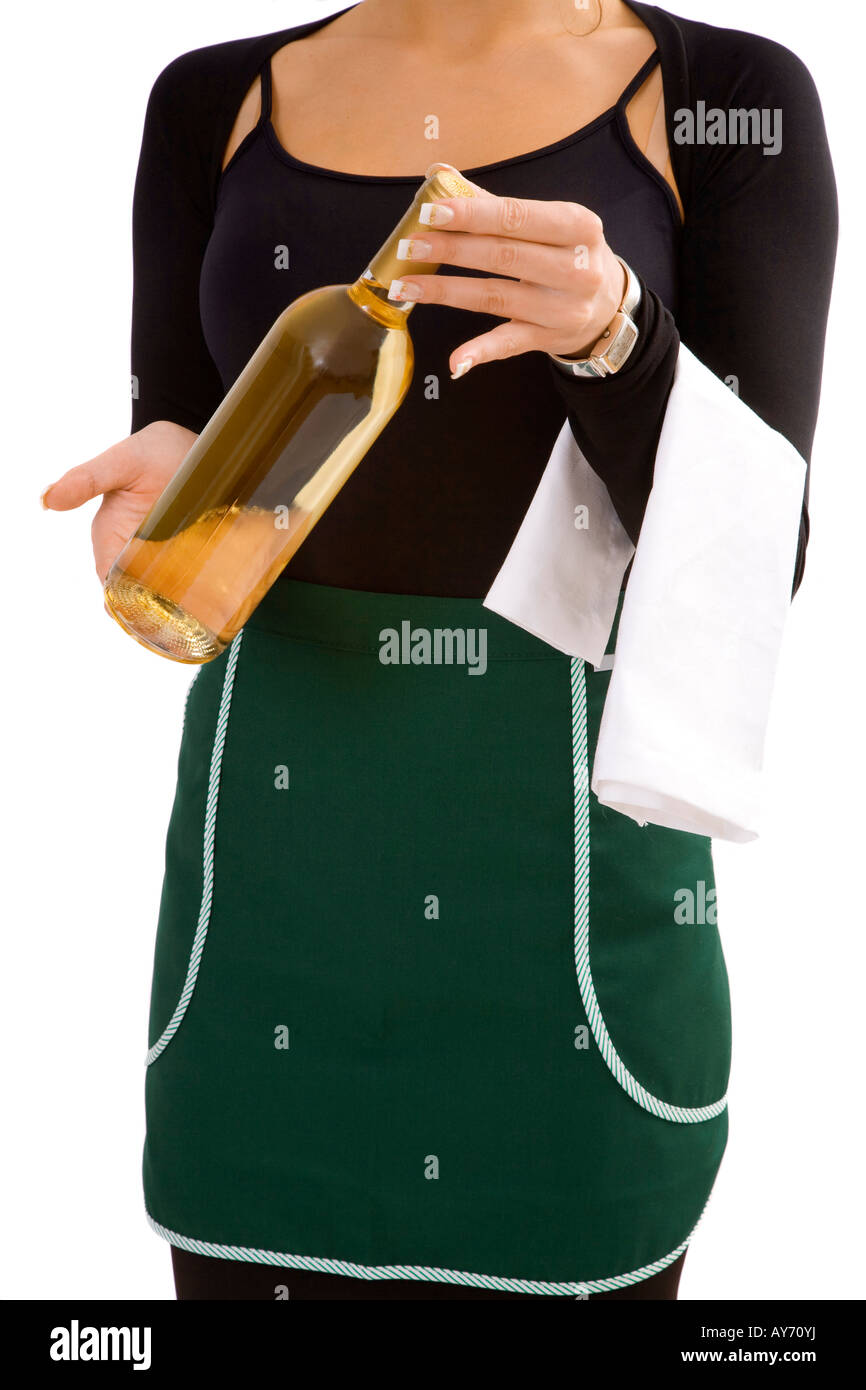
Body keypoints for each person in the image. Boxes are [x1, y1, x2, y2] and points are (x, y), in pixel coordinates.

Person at [42, 0, 837, 1299]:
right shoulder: (211, 100)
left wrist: (618, 341)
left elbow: (761, 562)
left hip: (571, 890)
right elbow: (202, 442)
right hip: (270, 890)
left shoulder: (722, 98)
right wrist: (172, 506)